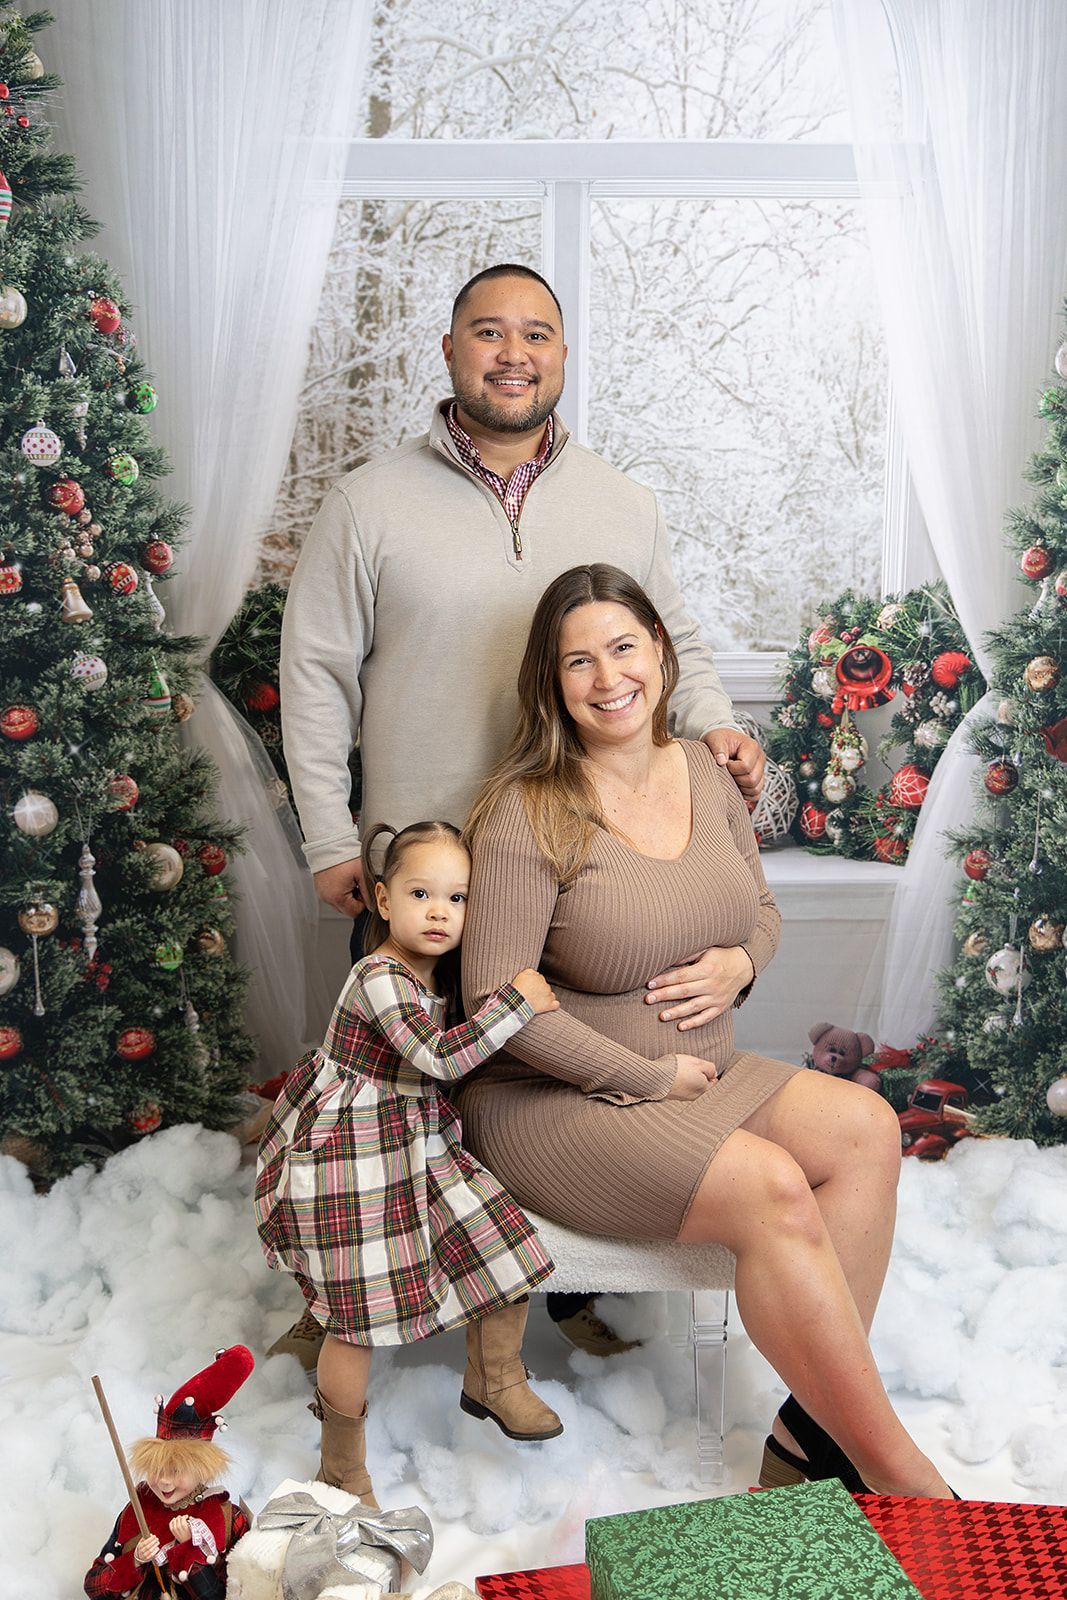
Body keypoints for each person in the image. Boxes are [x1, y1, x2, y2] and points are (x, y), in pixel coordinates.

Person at [277, 261, 765, 1362]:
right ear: (449, 352)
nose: (513, 354)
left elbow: (663, 636)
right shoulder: (368, 501)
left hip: (574, 858)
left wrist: (720, 724)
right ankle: (338, 1309)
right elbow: (313, 676)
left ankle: (562, 1281)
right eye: (488, 333)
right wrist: (323, 837)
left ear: (561, 355)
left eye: (536, 335)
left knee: (556, 1065)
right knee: (392, 1094)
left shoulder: (618, 499)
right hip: (425, 870)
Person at [458, 563, 956, 1499]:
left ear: (661, 652)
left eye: (622, 647)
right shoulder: (528, 808)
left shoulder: (700, 768)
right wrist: (641, 1080)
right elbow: (494, 1003)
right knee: (771, 1188)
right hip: (553, 1098)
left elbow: (758, 907)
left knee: (866, 1128)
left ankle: (808, 1441)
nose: (607, 679)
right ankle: (899, 1474)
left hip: (698, 1070)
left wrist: (741, 963)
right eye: (577, 662)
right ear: (549, 682)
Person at [254, 820, 563, 1510]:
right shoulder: (379, 976)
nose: (438, 911)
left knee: (501, 1242)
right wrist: (519, 1003)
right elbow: (439, 1058)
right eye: (421, 892)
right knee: (356, 1320)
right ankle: (342, 1466)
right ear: (384, 900)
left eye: (456, 899)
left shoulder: (434, 974)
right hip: (350, 1154)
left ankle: (495, 1378)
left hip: (414, 1139)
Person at [85, 1346, 254, 1599]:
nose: (163, 1480)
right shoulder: (138, 1509)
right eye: (156, 1469)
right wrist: (135, 1561)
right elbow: (93, 1587)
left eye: (176, 1471)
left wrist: (188, 1550)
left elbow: (233, 1594)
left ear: (202, 1469)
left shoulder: (228, 1518)